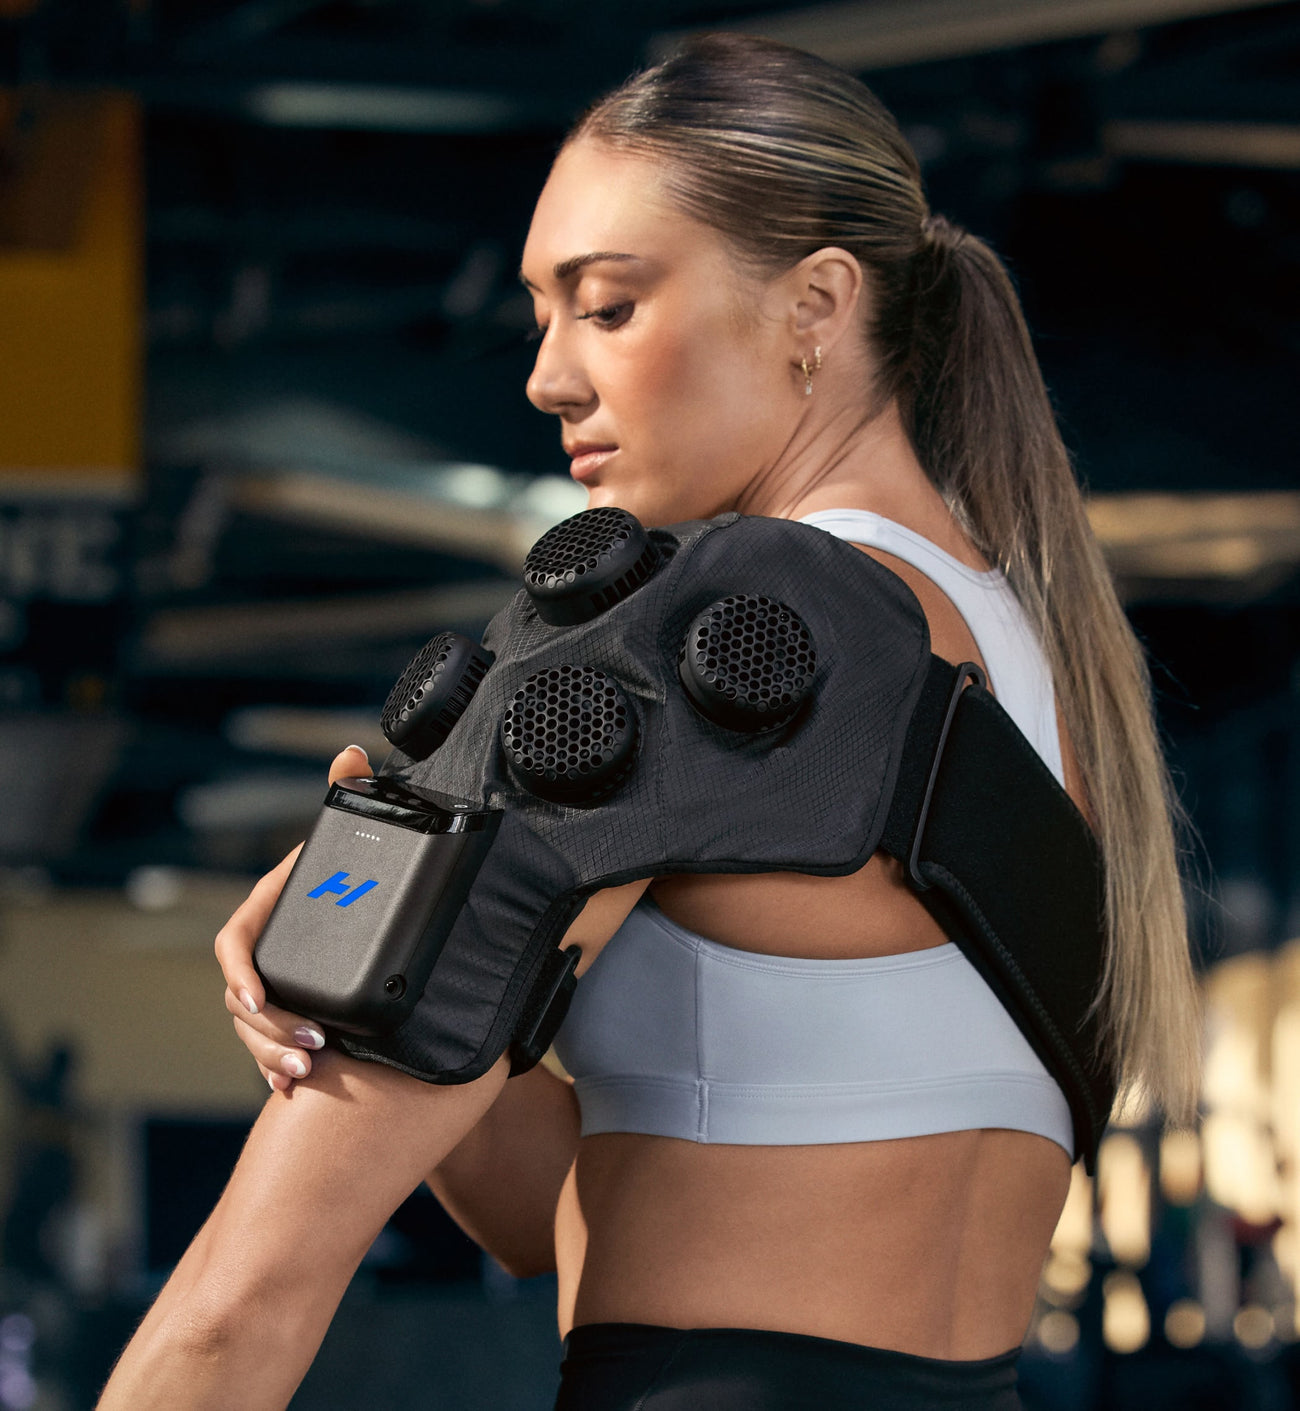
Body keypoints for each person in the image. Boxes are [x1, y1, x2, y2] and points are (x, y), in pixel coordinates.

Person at [97, 34, 1200, 1411]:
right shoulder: (1036, 662)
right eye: (542, 314)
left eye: (608, 307)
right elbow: (574, 1214)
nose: (547, 376)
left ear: (816, 306)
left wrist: (369, 952)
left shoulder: (713, 634)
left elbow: (233, 1310)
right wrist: (385, 993)